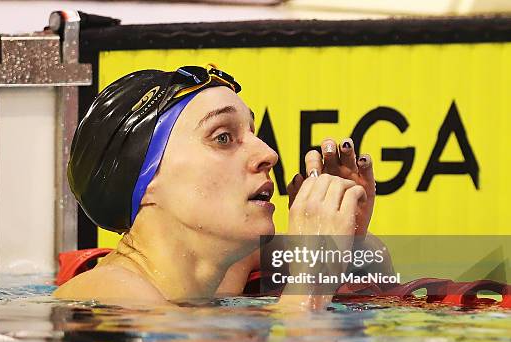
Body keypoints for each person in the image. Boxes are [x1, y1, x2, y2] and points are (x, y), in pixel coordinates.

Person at [53, 65, 376, 308]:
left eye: (252, 132)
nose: (268, 154)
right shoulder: (107, 295)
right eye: (223, 137)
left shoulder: (223, 273)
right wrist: (311, 282)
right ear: (146, 180)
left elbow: (377, 262)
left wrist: (345, 232)